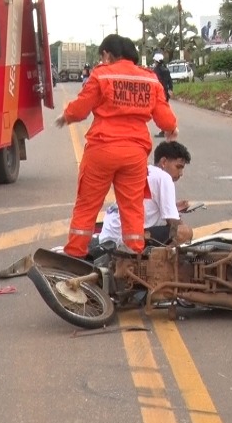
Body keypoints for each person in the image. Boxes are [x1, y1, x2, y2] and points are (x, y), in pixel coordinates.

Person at [55, 34, 179, 259]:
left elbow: (81, 108)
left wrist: (66, 117)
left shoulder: (102, 75)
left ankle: (75, 257)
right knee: (132, 208)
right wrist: (172, 129)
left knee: (87, 206)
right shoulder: (150, 79)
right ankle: (134, 259)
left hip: (102, 150)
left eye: (102, 56)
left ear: (108, 54)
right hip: (134, 154)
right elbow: (166, 120)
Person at [99, 141, 193, 247]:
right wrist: (187, 231)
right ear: (164, 162)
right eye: (178, 167)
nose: (181, 173)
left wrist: (174, 207)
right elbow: (173, 222)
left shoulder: (143, 171)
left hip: (109, 235)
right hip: (124, 239)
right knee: (182, 232)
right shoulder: (164, 177)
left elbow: (145, 205)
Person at [152, 52, 174, 138]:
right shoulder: (166, 69)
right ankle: (168, 129)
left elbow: (155, 82)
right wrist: (170, 90)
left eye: (154, 60)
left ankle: (164, 130)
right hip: (166, 93)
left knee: (161, 113)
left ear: (156, 61)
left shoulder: (156, 70)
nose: (154, 62)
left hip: (159, 93)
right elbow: (170, 81)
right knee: (165, 110)